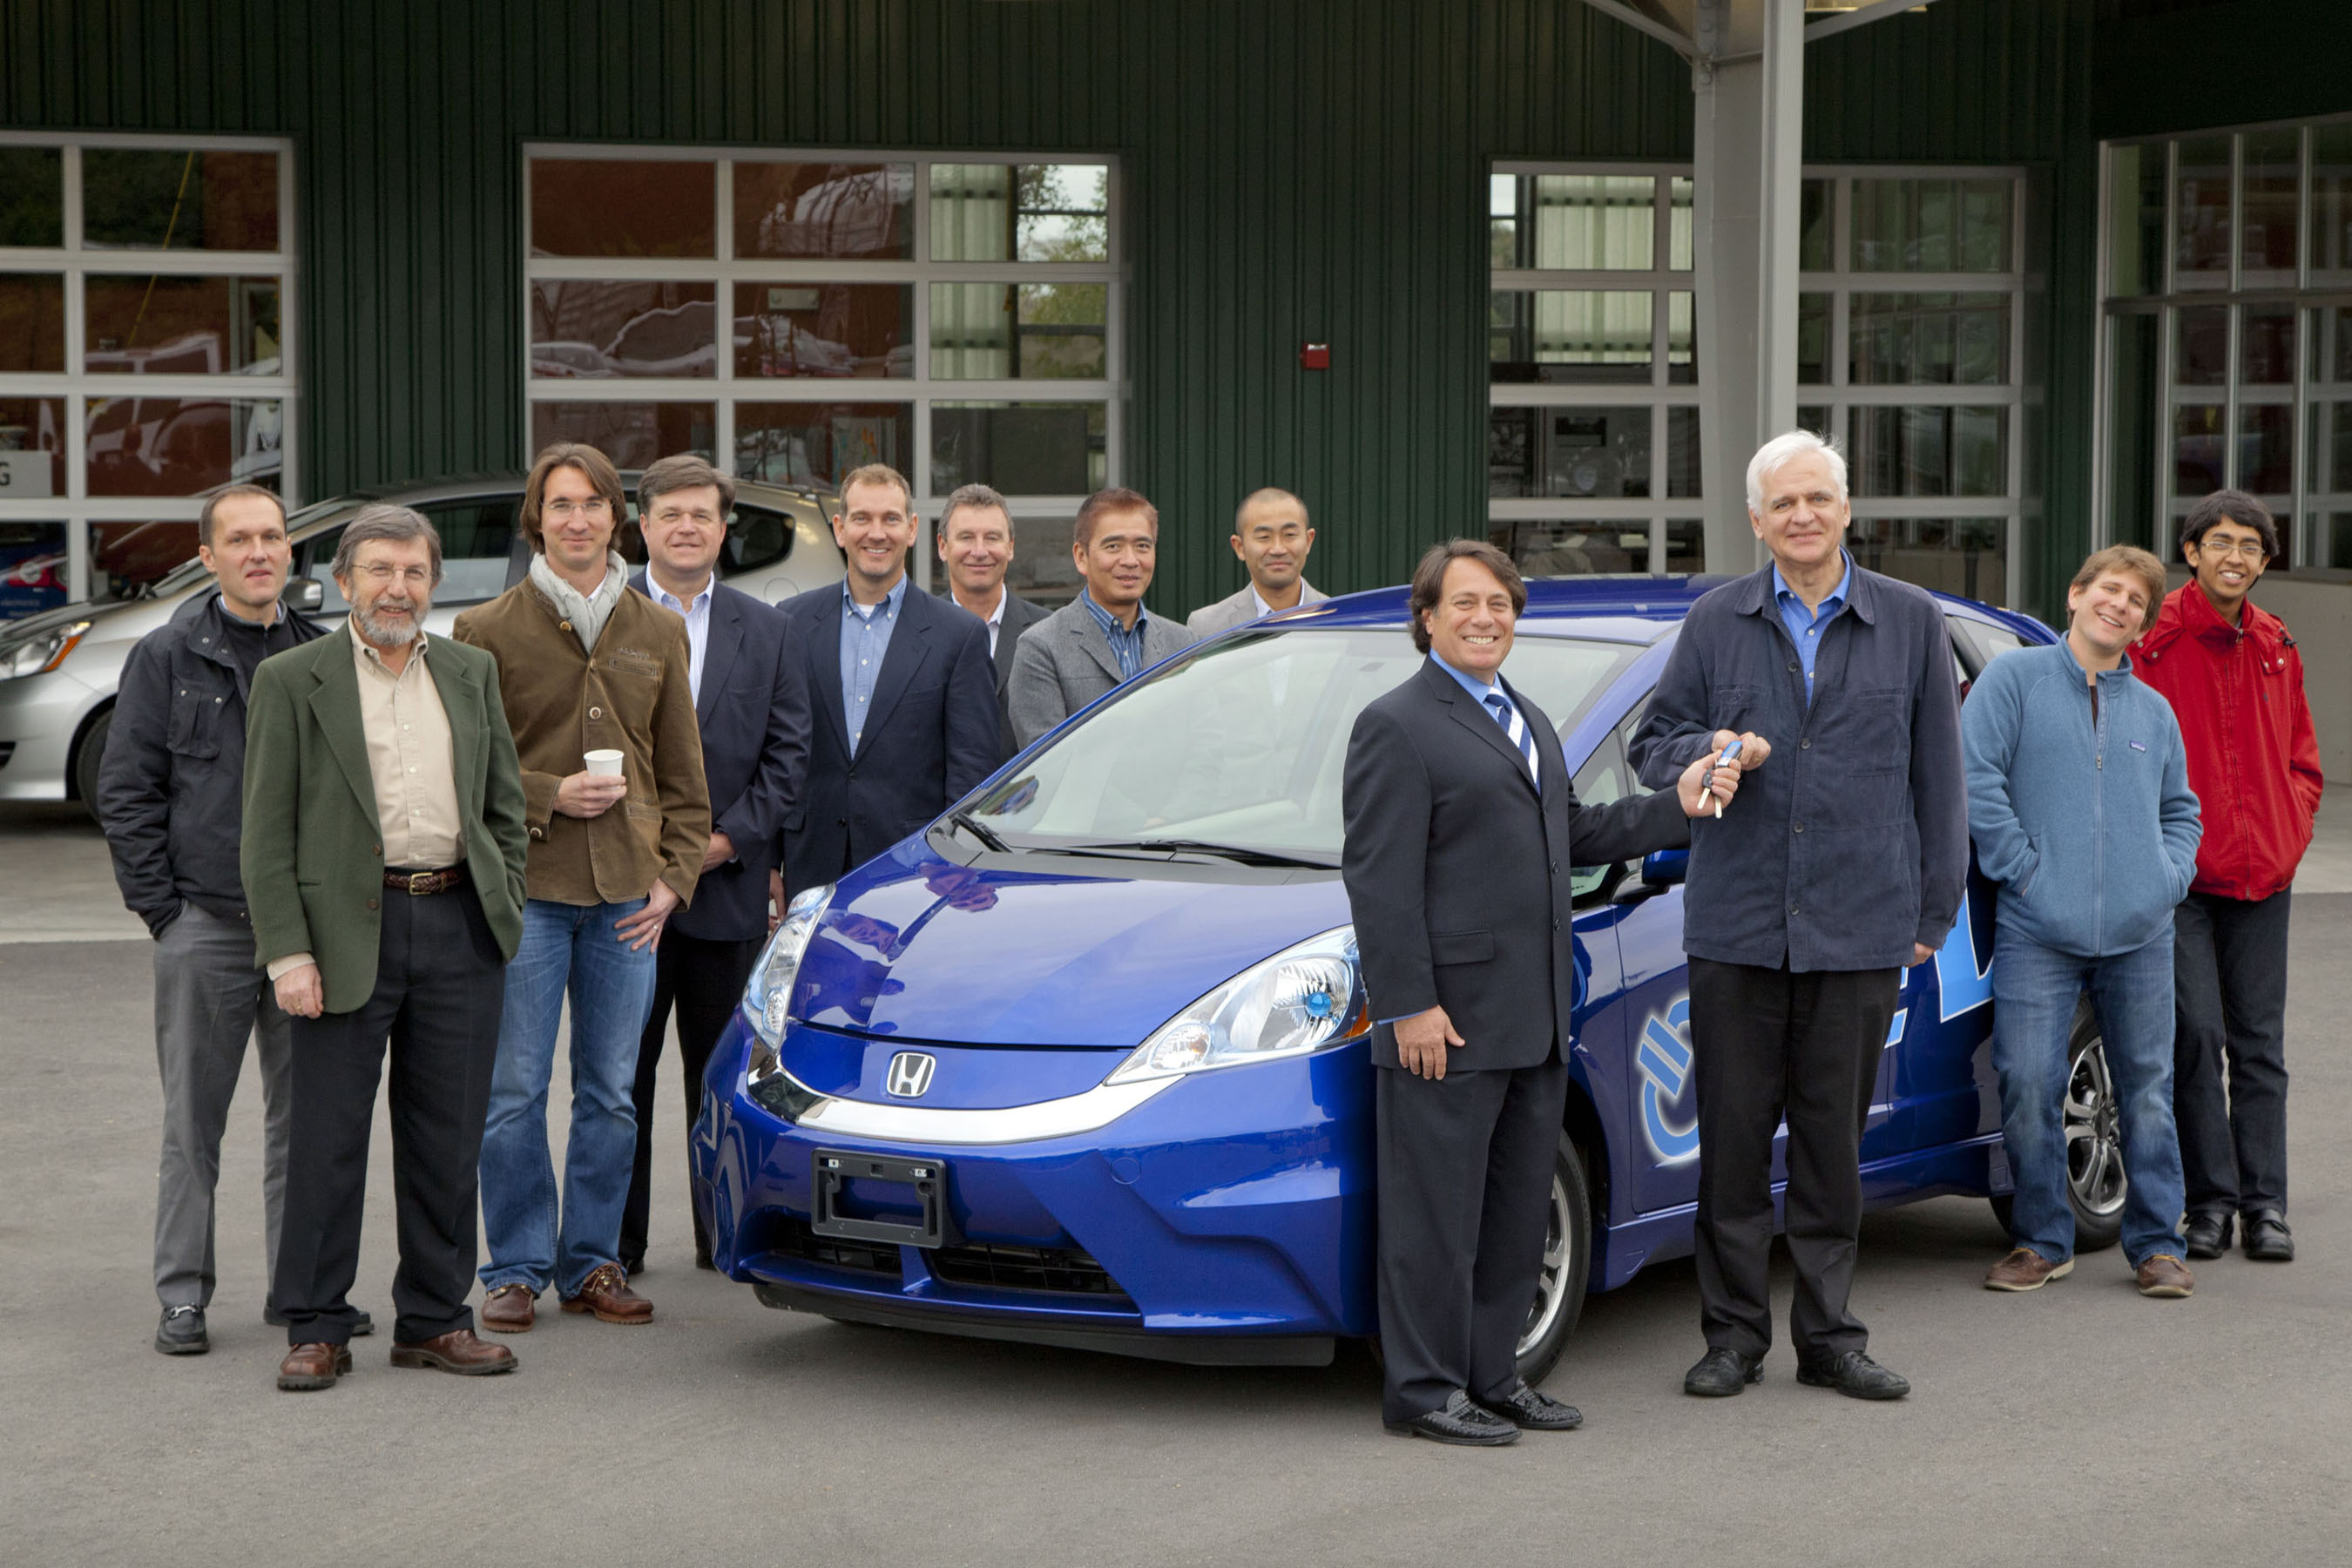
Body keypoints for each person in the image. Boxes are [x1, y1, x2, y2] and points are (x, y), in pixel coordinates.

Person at [1344, 539, 1726, 1446]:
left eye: (1500, 604)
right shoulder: (1396, 725)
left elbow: (1574, 832)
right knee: (1436, 1221)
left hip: (1537, 1018)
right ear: (1427, 618)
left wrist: (1680, 804)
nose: (1486, 619)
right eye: (1465, 603)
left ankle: (1495, 1377)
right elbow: (1380, 881)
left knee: (1515, 1215)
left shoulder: (1526, 717)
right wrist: (1409, 1006)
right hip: (1447, 1024)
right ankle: (1425, 1391)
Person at [1630, 429, 1965, 1402]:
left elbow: (1939, 780)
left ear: (1847, 509)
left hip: (1860, 928)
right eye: (1784, 503)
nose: (1803, 516)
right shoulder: (1716, 620)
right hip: (1737, 927)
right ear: (1756, 520)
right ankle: (1733, 1338)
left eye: (1818, 498)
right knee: (1733, 1147)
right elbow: (1653, 746)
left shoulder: (1911, 620)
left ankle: (1830, 1338)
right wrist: (1709, 750)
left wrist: (1933, 908)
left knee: (1831, 1148)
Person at [242, 504, 529, 1390]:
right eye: (379, 571)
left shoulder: (472, 671)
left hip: (458, 925)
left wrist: (504, 903)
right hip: (340, 938)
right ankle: (317, 1324)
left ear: (434, 583)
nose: (396, 588)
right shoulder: (292, 679)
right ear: (343, 581)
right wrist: (288, 954)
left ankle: (436, 1318)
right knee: (326, 1142)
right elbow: (265, 832)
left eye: (413, 572)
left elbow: (503, 806)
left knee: (448, 1140)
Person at [454, 442, 711, 1333]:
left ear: (616, 518)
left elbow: (683, 776)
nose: (577, 519)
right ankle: (515, 1267)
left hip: (628, 902)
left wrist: (674, 879)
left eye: (592, 503)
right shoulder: (485, 629)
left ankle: (593, 1261)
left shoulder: (657, 629)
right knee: (513, 1092)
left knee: (610, 1092)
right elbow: (468, 765)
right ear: (538, 519)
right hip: (528, 890)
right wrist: (547, 795)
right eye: (560, 504)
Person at [95, 485, 331, 1355]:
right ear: (208, 557)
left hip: (304, 935)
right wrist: (163, 911)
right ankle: (183, 1296)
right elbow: (127, 789)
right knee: (192, 1125)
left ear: (290, 551)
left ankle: (299, 1292)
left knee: (303, 1127)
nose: (258, 552)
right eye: (239, 540)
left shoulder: (322, 653)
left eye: (271, 537)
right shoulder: (166, 655)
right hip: (206, 924)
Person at [1963, 544, 2201, 1299]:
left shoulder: (2154, 712)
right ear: (2075, 595)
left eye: (2136, 601)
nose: (2119, 606)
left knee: (2148, 1090)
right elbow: (1976, 779)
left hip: (2142, 932)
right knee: (2027, 1079)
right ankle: (2042, 1240)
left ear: (2143, 623)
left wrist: (2166, 879)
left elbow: (2181, 811)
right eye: (2109, 590)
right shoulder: (2014, 681)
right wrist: (2023, 870)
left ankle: (2157, 1245)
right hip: (2037, 925)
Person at [617, 455, 809, 1275]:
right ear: (644, 526)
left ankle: (716, 1237)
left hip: (724, 892)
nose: (688, 527)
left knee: (718, 1078)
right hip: (622, 897)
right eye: (671, 514)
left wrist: (718, 846)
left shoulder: (767, 630)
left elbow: (788, 759)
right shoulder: (608, 616)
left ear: (723, 528)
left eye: (703, 514)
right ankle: (612, 1250)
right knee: (617, 1082)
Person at [2134, 491, 2322, 1264]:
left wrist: (2289, 830)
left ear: (2264, 561)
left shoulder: (2276, 642)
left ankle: (2265, 1205)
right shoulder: (2153, 641)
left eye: (2250, 546)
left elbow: (2302, 758)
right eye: (2220, 542)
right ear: (2191, 552)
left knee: (2259, 1047)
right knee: (2196, 1037)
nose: (2235, 557)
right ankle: (2208, 1202)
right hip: (2180, 879)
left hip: (2262, 876)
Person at [779, 463, 997, 900]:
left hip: (918, 870)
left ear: (912, 529)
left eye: (890, 519)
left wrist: (955, 866)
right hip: (811, 864)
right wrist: (768, 862)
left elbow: (972, 768)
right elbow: (775, 749)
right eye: (862, 518)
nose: (876, 533)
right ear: (840, 528)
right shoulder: (791, 621)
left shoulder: (959, 636)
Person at [1007, 487, 1195, 748]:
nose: (1130, 560)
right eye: (1113, 546)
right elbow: (1046, 757)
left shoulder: (1183, 643)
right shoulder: (1041, 647)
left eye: (1142, 546)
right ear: (1081, 557)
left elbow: (1204, 744)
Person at [935, 481, 1051, 763]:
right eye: (966, 537)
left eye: (992, 538)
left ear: (1010, 547)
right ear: (943, 547)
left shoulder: (1047, 632)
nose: (979, 551)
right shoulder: (915, 630)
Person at [1186, 487, 1328, 636]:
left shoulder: (1340, 620)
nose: (1278, 549)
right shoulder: (1206, 627)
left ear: (1309, 541)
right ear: (1239, 547)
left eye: (1289, 535)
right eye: (1264, 537)